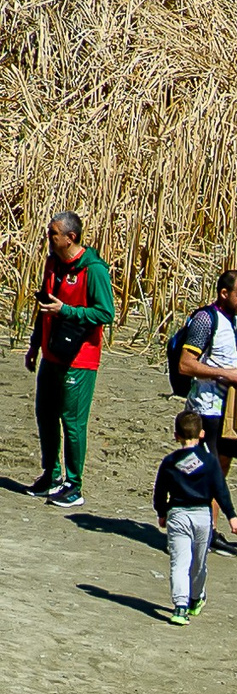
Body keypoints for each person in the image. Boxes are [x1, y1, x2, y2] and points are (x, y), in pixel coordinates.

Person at [24, 212, 115, 509]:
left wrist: (68, 311)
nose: (48, 239)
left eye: (53, 234)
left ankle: (74, 485)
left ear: (70, 237)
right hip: (51, 353)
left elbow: (105, 314)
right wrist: (35, 345)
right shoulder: (52, 264)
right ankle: (50, 475)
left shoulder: (94, 270)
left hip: (80, 358)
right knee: (45, 414)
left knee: (72, 421)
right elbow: (45, 307)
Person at [152, 412, 237, 625]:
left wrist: (162, 512)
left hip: (178, 514)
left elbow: (160, 490)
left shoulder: (169, 462)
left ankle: (180, 606)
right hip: (202, 515)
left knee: (179, 562)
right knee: (199, 562)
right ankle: (196, 598)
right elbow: (220, 491)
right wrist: (232, 517)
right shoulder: (210, 462)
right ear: (202, 434)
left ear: (176, 435)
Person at [174, 268, 237, 489]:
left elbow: (236, 354)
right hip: (206, 407)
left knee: (221, 469)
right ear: (224, 293)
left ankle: (211, 524)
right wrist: (226, 374)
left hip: (231, 407)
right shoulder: (205, 319)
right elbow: (185, 364)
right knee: (202, 468)